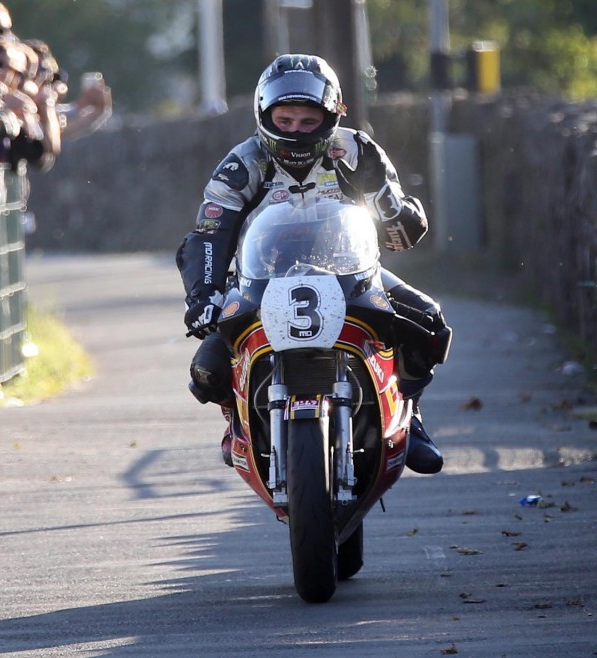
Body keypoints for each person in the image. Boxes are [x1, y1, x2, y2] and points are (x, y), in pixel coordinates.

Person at [177, 54, 451, 475]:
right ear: (264, 114)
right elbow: (209, 234)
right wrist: (204, 295)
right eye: (285, 120)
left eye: (308, 122)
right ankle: (239, 419)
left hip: (353, 273)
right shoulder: (242, 163)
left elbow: (398, 226)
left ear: (332, 115)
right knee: (207, 370)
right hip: (261, 279)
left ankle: (408, 414)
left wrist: (398, 217)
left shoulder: (357, 150)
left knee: (427, 321)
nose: (295, 132)